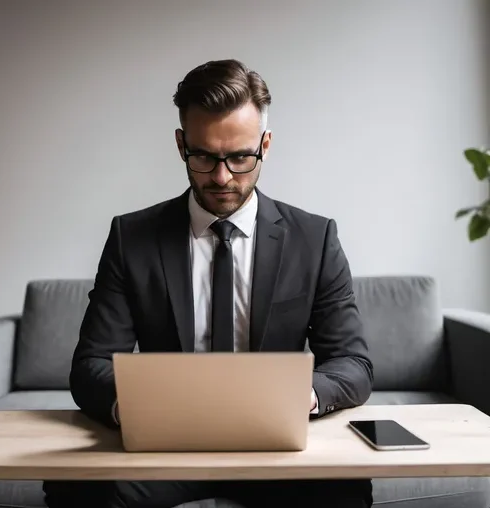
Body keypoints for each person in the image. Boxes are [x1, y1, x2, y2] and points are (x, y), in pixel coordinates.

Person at [43, 59, 374, 508]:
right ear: (182, 145)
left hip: (276, 453)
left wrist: (306, 396)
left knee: (347, 489)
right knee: (74, 489)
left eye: (240, 157)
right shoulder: (131, 238)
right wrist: (137, 410)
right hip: (165, 451)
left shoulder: (314, 240)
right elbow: (90, 366)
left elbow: (353, 362)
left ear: (266, 145)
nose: (222, 177)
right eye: (204, 156)